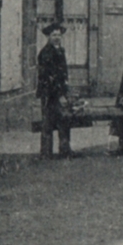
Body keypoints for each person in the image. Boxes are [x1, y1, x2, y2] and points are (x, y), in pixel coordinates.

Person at [37, 23, 73, 158]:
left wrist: (66, 90)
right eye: (54, 35)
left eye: (59, 35)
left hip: (59, 92)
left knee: (64, 121)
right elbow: (49, 77)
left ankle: (64, 149)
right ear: (48, 36)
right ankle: (46, 152)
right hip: (49, 94)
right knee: (48, 123)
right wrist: (60, 95)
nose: (57, 37)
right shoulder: (46, 53)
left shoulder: (61, 50)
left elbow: (63, 74)